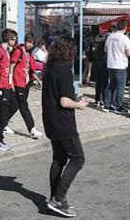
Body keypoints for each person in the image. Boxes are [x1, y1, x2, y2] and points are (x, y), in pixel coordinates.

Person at [41, 36, 89, 217]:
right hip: (63, 122)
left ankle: (56, 198)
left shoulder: (50, 69)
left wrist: (74, 100)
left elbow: (57, 96)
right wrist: (80, 104)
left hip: (50, 121)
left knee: (59, 160)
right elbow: (64, 101)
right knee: (77, 159)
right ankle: (58, 198)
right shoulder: (65, 71)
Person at [6, 33, 43, 139]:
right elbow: (11, 67)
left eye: (32, 43)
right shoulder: (18, 51)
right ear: (25, 41)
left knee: (16, 105)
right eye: (28, 42)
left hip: (26, 83)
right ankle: (32, 128)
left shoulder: (28, 53)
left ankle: (1, 123)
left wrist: (37, 80)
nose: (30, 45)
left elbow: (30, 69)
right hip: (18, 83)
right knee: (24, 106)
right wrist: (10, 82)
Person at [103, 20, 130, 113]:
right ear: (125, 28)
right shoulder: (125, 38)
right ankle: (118, 106)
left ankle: (107, 104)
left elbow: (105, 49)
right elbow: (128, 53)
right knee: (120, 87)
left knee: (111, 85)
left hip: (110, 63)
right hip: (120, 65)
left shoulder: (110, 36)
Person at [92, 26, 112, 107]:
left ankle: (97, 99)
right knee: (105, 82)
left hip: (97, 61)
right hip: (104, 61)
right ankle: (104, 100)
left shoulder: (98, 37)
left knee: (98, 81)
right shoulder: (108, 37)